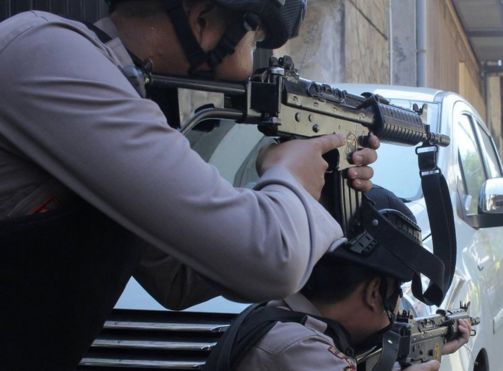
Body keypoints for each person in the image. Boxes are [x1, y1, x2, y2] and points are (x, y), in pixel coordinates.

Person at [0, 1, 380, 369]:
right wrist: (290, 178)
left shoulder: (112, 85)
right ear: (203, 19)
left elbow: (175, 277)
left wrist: (317, 191)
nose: (258, 49)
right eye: (256, 33)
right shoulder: (49, 55)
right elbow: (271, 263)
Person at [203, 187, 471, 371]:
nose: (400, 311)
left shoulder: (278, 316)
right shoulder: (299, 348)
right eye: (397, 293)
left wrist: (426, 346)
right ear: (374, 291)